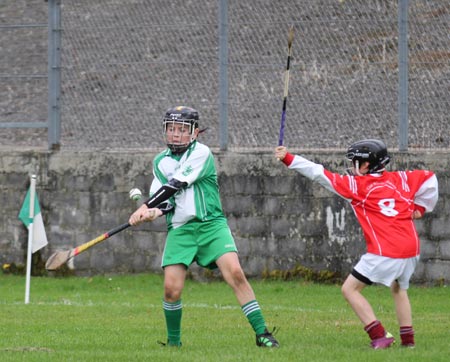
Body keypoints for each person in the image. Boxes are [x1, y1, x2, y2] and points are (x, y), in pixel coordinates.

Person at [129, 106, 279, 348]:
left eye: (182, 129)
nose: (175, 134)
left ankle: (262, 333)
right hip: (181, 229)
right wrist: (150, 213)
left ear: (195, 132)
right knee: (171, 290)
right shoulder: (160, 162)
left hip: (211, 225)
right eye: (171, 129)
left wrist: (144, 205)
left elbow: (176, 184)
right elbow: (166, 204)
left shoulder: (201, 153)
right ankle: (174, 344)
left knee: (236, 274)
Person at [274, 139, 438, 349]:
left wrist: (288, 158)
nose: (352, 167)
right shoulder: (401, 179)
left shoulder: (357, 186)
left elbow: (318, 173)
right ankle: (408, 342)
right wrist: (421, 208)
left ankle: (379, 336)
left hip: (385, 251)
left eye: (355, 162)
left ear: (367, 165)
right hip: (411, 249)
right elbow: (430, 179)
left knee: (349, 289)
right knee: (399, 289)